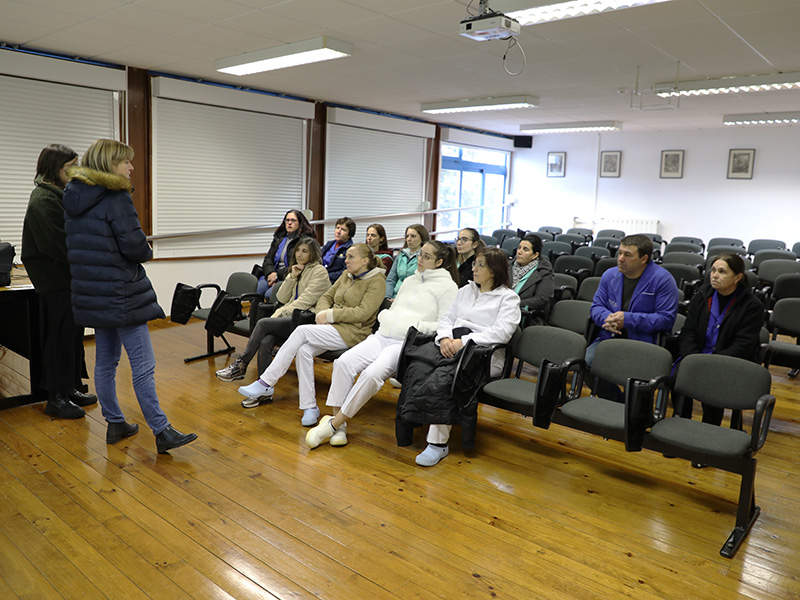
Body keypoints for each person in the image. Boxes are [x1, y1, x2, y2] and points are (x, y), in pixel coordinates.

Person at [63, 139, 197, 454]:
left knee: (105, 361)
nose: (131, 167)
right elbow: (135, 247)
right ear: (110, 164)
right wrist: (146, 250)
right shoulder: (116, 198)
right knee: (143, 365)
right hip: (122, 294)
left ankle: (115, 422)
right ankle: (162, 430)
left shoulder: (73, 197)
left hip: (93, 293)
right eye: (126, 161)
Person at [305, 240, 460, 449]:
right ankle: (339, 428)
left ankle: (332, 425)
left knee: (371, 375)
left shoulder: (448, 287)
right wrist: (388, 315)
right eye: (420, 255)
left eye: (426, 257)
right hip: (382, 335)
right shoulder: (410, 281)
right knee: (343, 363)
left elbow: (443, 324)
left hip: (404, 342)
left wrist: (417, 326)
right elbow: (396, 307)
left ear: (440, 262)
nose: (420, 260)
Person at [395, 247, 520, 467]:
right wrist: (444, 338)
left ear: (494, 270)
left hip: (481, 354)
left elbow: (501, 333)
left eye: (481, 265)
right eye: (474, 264)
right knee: (417, 368)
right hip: (451, 344)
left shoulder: (508, 298)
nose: (474, 269)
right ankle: (409, 423)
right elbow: (447, 319)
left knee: (444, 379)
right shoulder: (465, 291)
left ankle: (438, 444)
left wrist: (463, 342)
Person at [237, 244, 386, 425]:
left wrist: (329, 315)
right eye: (346, 256)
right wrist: (322, 313)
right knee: (304, 351)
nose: (345, 260)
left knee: (301, 331)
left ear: (365, 261)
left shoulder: (377, 281)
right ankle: (309, 407)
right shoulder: (346, 275)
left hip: (354, 333)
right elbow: (326, 297)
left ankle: (266, 382)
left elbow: (363, 313)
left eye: (350, 257)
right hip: (332, 328)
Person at [21, 144, 97, 419]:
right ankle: (55, 397)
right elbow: (61, 244)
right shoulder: (44, 199)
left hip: (67, 279)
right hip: (55, 281)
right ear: (54, 169)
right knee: (59, 338)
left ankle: (70, 387)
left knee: (72, 337)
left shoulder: (58, 194)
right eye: (70, 168)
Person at [215, 237, 330, 398]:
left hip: (307, 319)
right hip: (292, 317)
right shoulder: (298, 270)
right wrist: (291, 277)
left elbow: (304, 302)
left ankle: (241, 364)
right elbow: (282, 298)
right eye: (298, 250)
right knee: (266, 340)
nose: (299, 254)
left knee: (263, 324)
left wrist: (278, 314)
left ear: (313, 253)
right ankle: (264, 390)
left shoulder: (319, 272)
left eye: (304, 251)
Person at [674, 253, 764, 425]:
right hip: (697, 355)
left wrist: (711, 363)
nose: (714, 275)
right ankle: (680, 425)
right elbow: (689, 332)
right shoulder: (701, 296)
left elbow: (743, 346)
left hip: (729, 360)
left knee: (714, 381)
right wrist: (692, 358)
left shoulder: (751, 305)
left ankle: (709, 433)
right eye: (713, 270)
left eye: (722, 272)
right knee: (680, 375)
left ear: (737, 277)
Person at [588, 234, 679, 399]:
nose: (621, 258)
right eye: (620, 253)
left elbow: (666, 319)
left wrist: (627, 319)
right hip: (609, 337)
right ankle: (618, 402)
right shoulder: (610, 275)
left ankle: (632, 408)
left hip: (644, 342)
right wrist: (606, 318)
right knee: (586, 362)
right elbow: (596, 306)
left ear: (644, 258)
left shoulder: (663, 280)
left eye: (627, 255)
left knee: (637, 379)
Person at [257, 209, 315, 297]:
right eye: (287, 220)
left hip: (288, 277)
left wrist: (277, 275)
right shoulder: (279, 237)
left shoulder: (305, 241)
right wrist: (270, 273)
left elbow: (299, 265)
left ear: (300, 223)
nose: (289, 223)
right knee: (256, 290)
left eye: (293, 220)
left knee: (269, 295)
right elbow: (268, 258)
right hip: (272, 274)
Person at [510, 234, 554, 325]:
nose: (519, 252)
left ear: (535, 255)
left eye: (525, 249)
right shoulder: (508, 266)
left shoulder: (544, 271)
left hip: (526, 315)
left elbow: (541, 299)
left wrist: (513, 303)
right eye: (519, 248)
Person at [385, 224, 430, 299]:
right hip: (394, 297)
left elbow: (424, 283)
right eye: (407, 236)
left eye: (413, 236)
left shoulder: (425, 257)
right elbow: (390, 280)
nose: (408, 239)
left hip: (412, 298)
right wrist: (387, 297)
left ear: (422, 238)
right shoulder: (401, 255)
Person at [321, 217, 355, 283]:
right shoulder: (329, 244)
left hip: (333, 281)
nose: (338, 232)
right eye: (337, 228)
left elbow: (345, 272)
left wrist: (326, 276)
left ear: (349, 235)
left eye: (343, 230)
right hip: (319, 276)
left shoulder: (351, 249)